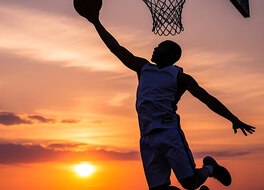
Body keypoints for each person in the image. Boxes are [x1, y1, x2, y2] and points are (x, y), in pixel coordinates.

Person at [86, 16, 255, 190]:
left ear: (171, 54)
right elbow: (117, 49)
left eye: (160, 46)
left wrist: (233, 118)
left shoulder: (180, 77)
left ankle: (211, 168)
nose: (155, 47)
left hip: (168, 132)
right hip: (146, 137)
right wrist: (96, 22)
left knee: (190, 183)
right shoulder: (144, 68)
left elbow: (207, 99)